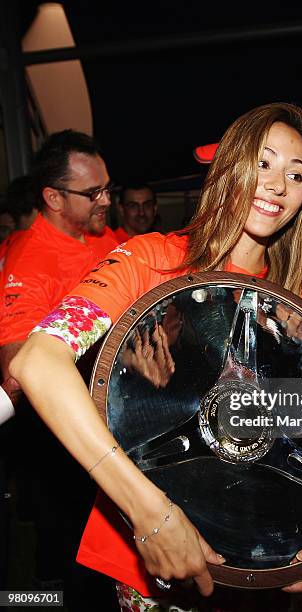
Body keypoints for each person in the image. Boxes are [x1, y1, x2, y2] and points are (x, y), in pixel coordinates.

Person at [10, 103, 302, 611]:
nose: (278, 184)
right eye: (263, 163)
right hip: (150, 570)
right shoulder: (149, 261)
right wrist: (149, 511)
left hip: (263, 562)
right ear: (229, 169)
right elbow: (37, 364)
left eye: (296, 173)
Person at [0, 129, 118, 607]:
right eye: (93, 193)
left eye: (107, 186)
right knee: (70, 575)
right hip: (62, 446)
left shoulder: (101, 234)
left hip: (111, 427)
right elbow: (17, 368)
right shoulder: (31, 261)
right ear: (52, 197)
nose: (106, 200)